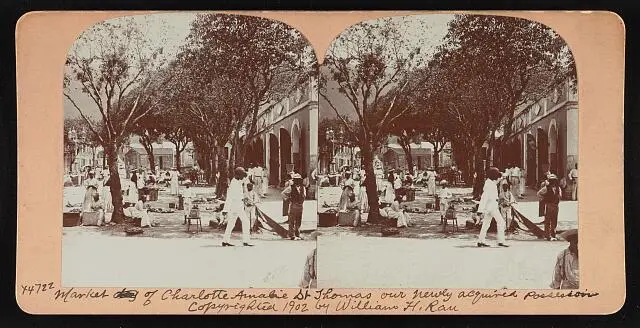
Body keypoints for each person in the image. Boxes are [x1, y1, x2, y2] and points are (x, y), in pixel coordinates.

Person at [476, 167, 509, 248]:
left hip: (489, 207)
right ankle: (501, 241)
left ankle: (481, 241)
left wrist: (502, 177)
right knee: (501, 222)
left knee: (486, 224)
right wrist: (480, 210)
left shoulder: (490, 183)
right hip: (492, 207)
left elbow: (498, 180)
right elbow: (484, 198)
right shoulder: (489, 186)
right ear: (494, 176)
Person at [222, 167, 253, 247]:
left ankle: (225, 241)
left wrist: (245, 174)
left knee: (231, 224)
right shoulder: (234, 183)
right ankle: (246, 241)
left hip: (237, 205)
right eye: (241, 175)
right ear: (238, 175)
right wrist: (225, 209)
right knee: (246, 222)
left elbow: (245, 178)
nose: (243, 177)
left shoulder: (237, 180)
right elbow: (229, 197)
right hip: (236, 205)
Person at [537, 174, 562, 241]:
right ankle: (548, 235)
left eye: (554, 180)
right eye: (552, 181)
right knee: (548, 221)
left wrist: (557, 200)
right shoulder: (546, 188)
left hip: (555, 206)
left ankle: (553, 234)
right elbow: (539, 193)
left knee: (554, 221)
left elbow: (560, 196)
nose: (553, 182)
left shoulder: (558, 188)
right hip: (549, 205)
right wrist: (543, 200)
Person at [282, 173, 306, 240]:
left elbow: (304, 196)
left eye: (299, 180)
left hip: (300, 206)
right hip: (293, 205)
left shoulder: (303, 188)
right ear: (294, 181)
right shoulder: (290, 187)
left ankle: (297, 234)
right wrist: (288, 199)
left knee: (299, 220)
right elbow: (283, 193)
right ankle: (292, 235)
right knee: (292, 220)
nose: (297, 181)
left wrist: (301, 201)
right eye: (296, 180)